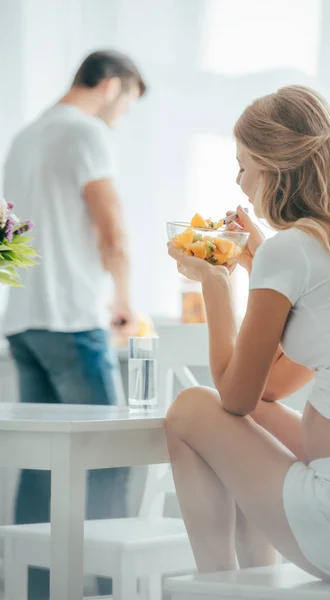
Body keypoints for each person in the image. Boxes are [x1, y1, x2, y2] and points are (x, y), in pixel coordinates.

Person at [166, 85, 330, 585]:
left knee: (191, 407)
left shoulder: (292, 251)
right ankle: (252, 581)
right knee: (259, 418)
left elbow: (233, 396)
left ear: (273, 169)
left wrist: (215, 280)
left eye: (244, 164)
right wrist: (258, 267)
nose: (240, 180)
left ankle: (219, 582)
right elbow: (265, 395)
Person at [2, 50, 146, 599]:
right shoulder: (86, 134)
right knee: (110, 460)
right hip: (71, 320)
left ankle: (33, 590)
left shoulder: (24, 137)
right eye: (128, 102)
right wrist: (126, 303)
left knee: (42, 467)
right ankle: (108, 588)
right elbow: (113, 231)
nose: (122, 115)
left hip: (24, 321)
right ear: (111, 85)